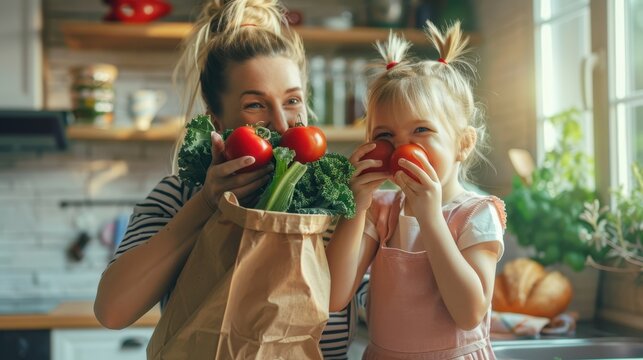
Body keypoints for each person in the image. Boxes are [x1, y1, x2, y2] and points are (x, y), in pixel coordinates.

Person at [94, 0, 365, 358]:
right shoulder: (180, 195)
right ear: (217, 121)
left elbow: (379, 305)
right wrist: (206, 204)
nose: (282, 125)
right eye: (256, 105)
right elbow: (112, 310)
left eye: (293, 101)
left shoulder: (333, 200)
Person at [326, 21, 507, 359]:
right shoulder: (379, 210)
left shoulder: (476, 214)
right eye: (384, 136)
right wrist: (355, 205)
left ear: (463, 144)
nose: (400, 149)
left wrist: (430, 217)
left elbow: (469, 313)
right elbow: (333, 295)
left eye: (421, 129)